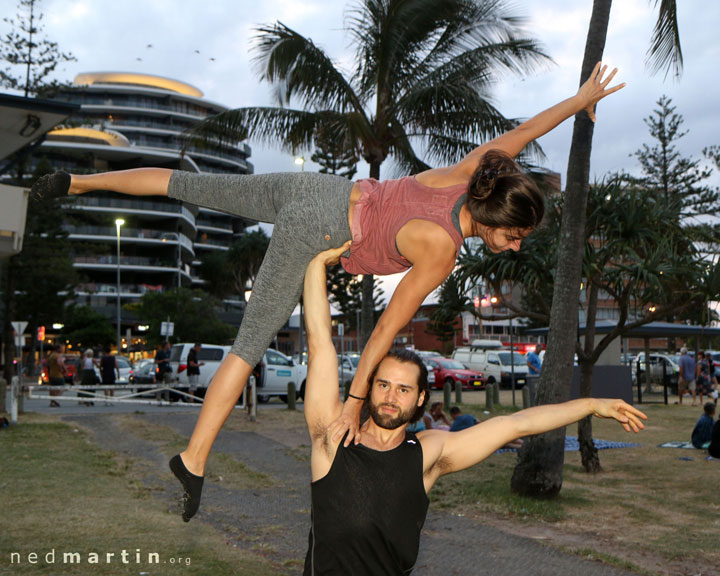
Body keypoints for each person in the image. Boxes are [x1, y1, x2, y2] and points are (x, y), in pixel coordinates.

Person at [34, 64, 625, 520]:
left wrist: (580, 101)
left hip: (317, 189)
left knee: (185, 184)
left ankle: (75, 181)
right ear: (493, 221)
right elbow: (389, 327)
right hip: (315, 230)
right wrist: (352, 400)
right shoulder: (442, 248)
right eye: (514, 236)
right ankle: (192, 460)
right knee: (249, 344)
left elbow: (520, 133)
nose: (515, 246)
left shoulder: (473, 173)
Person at [287, 245, 645, 575]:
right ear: (369, 387)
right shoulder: (333, 437)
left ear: (420, 399)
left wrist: (592, 404)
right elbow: (321, 345)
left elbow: (515, 425)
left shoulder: (428, 453)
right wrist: (316, 265)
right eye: (383, 385)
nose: (391, 397)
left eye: (403, 389)